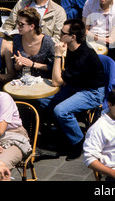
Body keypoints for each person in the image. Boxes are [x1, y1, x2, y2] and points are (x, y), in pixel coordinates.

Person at [38, 19, 105, 161]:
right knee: (41, 101)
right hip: (76, 85)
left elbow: (57, 81)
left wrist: (57, 54)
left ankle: (78, 142)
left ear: (73, 36)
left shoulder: (84, 56)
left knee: (61, 111)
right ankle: (56, 134)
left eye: (63, 33)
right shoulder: (72, 48)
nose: (60, 34)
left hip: (91, 91)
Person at [0, 0, 67, 43]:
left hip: (42, 49)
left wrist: (38, 43)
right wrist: (10, 36)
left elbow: (59, 38)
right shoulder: (22, 4)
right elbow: (8, 24)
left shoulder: (58, 11)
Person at [12, 8, 55, 79]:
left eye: (21, 24)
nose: (17, 26)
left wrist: (33, 64)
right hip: (22, 80)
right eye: (17, 22)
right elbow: (15, 68)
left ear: (32, 26)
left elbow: (53, 66)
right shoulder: (17, 39)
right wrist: (18, 64)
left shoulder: (47, 41)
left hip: (43, 81)